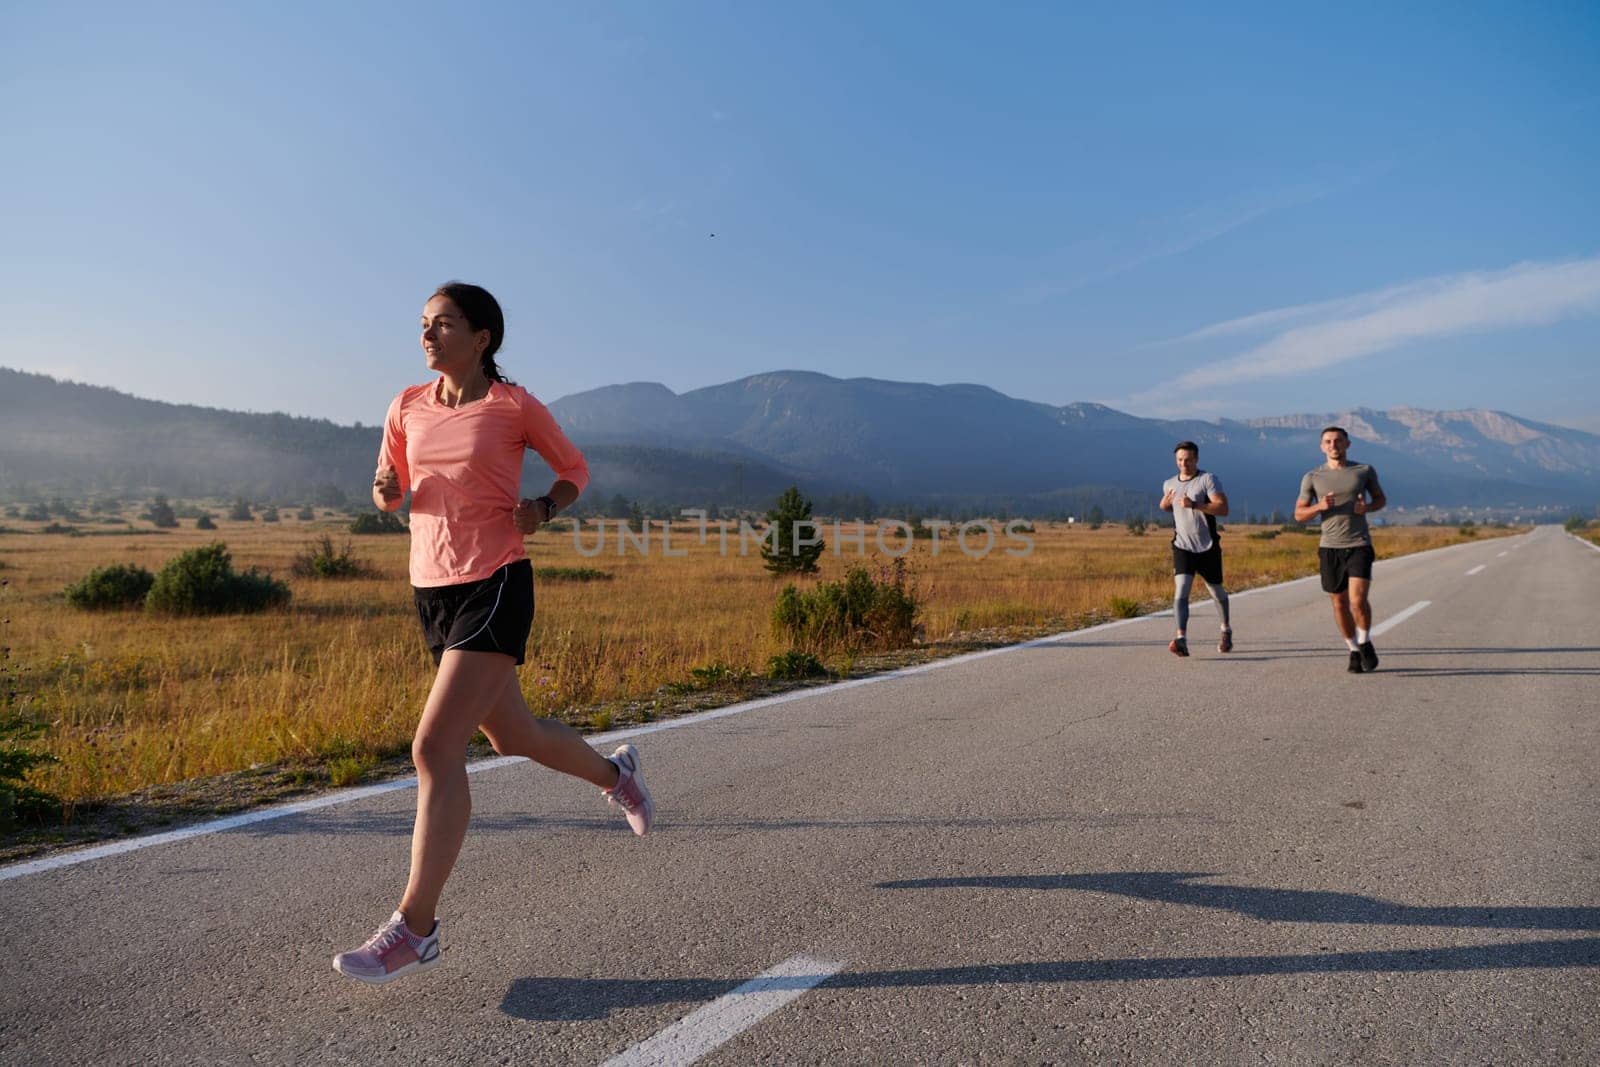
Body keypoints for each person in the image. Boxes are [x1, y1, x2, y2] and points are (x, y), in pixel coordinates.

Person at [333, 282, 653, 986]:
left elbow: (575, 470)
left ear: (481, 338)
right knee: (513, 735)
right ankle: (617, 776)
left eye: (442, 323)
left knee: (434, 745)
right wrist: (387, 491)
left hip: (497, 580)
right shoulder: (406, 405)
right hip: (433, 588)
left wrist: (543, 504)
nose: (427, 334)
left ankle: (415, 928)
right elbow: (391, 493)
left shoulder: (514, 407)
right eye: (423, 323)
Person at [1294, 425, 1387, 673]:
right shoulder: (1312, 477)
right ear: (1322, 447)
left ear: (1347, 444)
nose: (1333, 446)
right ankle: (1353, 649)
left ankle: (1365, 641)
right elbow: (1299, 514)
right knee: (1339, 604)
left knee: (1357, 601)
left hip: (1359, 544)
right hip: (1329, 547)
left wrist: (1365, 508)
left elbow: (1380, 499)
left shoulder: (1364, 471)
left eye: (1338, 441)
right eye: (1328, 442)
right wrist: (1319, 506)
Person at [1158, 441, 1232, 656]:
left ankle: (1225, 630)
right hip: (1182, 546)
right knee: (1181, 592)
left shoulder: (1208, 479)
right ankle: (1181, 638)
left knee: (1216, 591)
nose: (1184, 464)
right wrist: (1164, 505)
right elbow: (1169, 507)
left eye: (1188, 460)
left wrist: (1196, 505)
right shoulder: (1169, 484)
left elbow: (1223, 508)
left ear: (1196, 459)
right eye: (1180, 460)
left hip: (1207, 546)